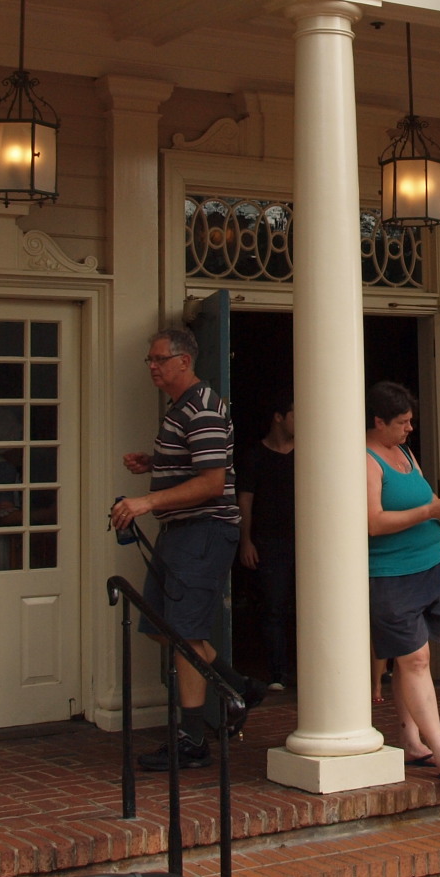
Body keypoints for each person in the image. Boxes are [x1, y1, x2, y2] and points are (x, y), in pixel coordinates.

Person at [110, 328, 263, 771]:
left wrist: (146, 501)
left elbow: (213, 483)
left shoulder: (203, 407)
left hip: (203, 530)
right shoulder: (184, 408)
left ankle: (191, 739)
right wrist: (157, 464)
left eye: (159, 359)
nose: (153, 367)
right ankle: (238, 685)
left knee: (184, 633)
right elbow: (200, 462)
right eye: (150, 360)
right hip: (182, 533)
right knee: (163, 626)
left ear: (184, 361)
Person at [364, 380, 440, 786]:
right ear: (378, 421)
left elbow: (423, 498)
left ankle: (411, 739)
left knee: (411, 660)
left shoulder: (405, 453)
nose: (410, 428)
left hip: (428, 568)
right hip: (391, 576)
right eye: (402, 422)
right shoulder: (365, 459)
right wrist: (429, 509)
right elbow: (373, 522)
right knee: (415, 661)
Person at [236, 397, 296, 690]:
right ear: (279, 416)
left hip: (308, 541)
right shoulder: (255, 456)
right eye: (296, 414)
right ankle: (277, 674)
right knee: (274, 607)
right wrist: (245, 540)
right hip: (270, 542)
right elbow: (244, 499)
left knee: (312, 606)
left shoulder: (308, 452)